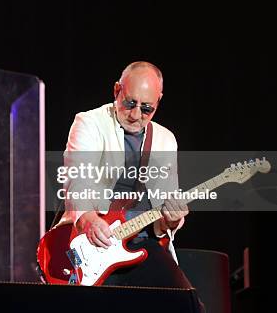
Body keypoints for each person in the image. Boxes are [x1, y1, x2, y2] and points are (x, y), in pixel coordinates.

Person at [59, 62, 202, 303]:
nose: (136, 115)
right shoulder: (89, 122)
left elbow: (169, 203)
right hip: (98, 238)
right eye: (129, 103)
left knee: (188, 305)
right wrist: (89, 219)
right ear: (117, 90)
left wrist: (174, 218)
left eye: (147, 109)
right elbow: (76, 179)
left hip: (144, 242)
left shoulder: (166, 140)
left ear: (158, 102)